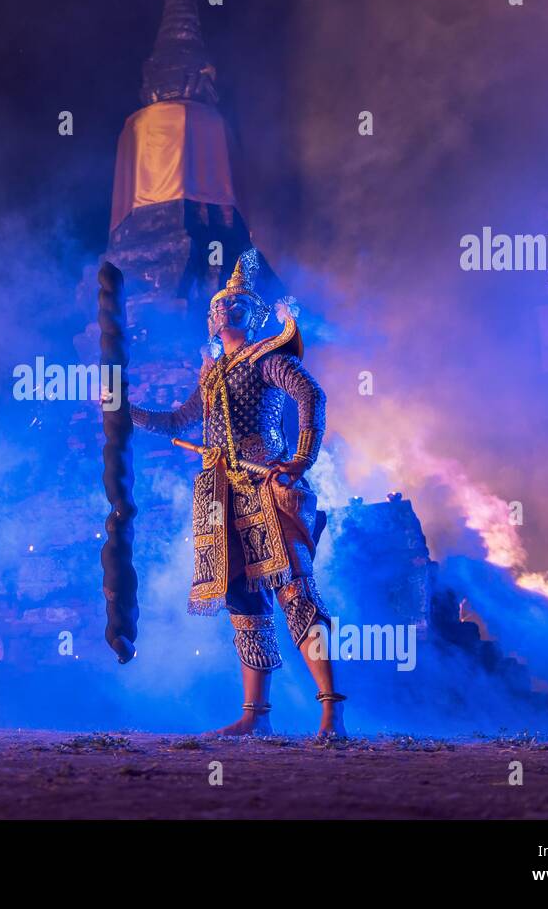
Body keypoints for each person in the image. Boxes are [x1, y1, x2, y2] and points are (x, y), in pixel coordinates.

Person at [128, 249, 346, 738]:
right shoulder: (210, 374)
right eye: (219, 307)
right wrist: (131, 414)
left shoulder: (265, 358)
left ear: (251, 313)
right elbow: (178, 422)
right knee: (242, 598)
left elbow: (312, 395)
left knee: (296, 592)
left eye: (235, 305)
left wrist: (300, 460)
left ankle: (332, 710)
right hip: (219, 492)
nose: (224, 312)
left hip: (265, 481)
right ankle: (254, 716)